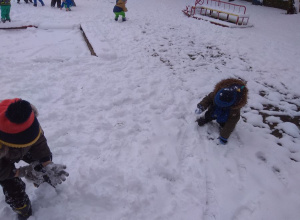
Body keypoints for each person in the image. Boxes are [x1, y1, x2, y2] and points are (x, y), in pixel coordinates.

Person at [0, 98, 69, 220]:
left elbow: (39, 141)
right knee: (13, 189)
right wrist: (23, 172)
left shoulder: (26, 117)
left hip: (15, 148)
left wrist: (46, 162)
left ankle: (45, 183)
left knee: (41, 164)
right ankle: (23, 210)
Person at [195, 78, 248, 145]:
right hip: (214, 110)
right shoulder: (216, 93)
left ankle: (222, 125)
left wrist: (224, 136)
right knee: (209, 114)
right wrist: (201, 106)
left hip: (226, 113)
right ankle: (207, 118)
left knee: (224, 121)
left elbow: (231, 124)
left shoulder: (234, 109)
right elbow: (207, 99)